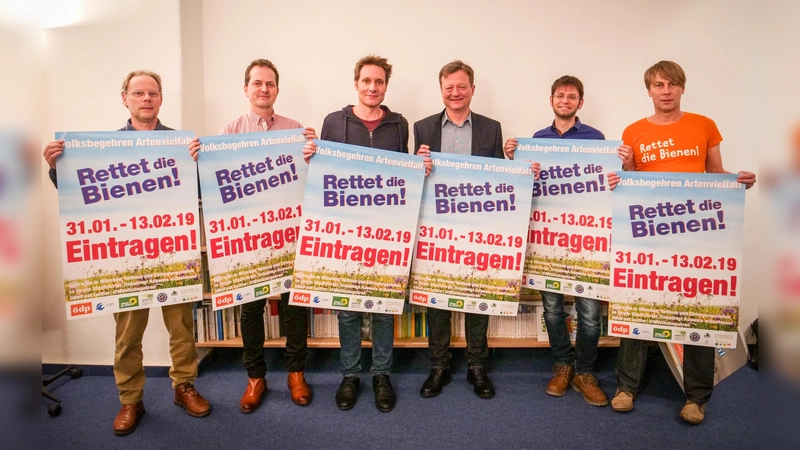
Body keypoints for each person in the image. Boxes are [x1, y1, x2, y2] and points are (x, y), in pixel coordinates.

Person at [42, 70, 211, 436]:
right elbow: (81, 194)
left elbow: (200, 191)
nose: (146, 98)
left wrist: (200, 162)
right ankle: (130, 398)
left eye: (152, 93)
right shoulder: (103, 148)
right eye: (138, 93)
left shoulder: (180, 145)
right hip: (127, 259)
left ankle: (184, 386)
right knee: (128, 335)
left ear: (161, 99)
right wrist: (59, 169)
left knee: (182, 328)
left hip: (173, 253)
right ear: (125, 99)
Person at [607, 60, 756, 425]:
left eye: (672, 84)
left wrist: (739, 181)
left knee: (699, 307)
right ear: (649, 91)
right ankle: (626, 388)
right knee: (636, 305)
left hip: (696, 234)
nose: (666, 91)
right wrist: (621, 174)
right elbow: (632, 186)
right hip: (648, 236)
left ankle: (697, 397)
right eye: (659, 85)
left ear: (682, 88)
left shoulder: (704, 125)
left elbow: (715, 173)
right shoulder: (633, 131)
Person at [189, 59, 316, 412]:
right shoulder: (230, 131)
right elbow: (217, 182)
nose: (264, 89)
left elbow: (310, 181)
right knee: (250, 309)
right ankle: (255, 377)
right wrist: (201, 159)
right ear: (246, 88)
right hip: (247, 238)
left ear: (277, 89)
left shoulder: (296, 130)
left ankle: (296, 373)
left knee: (294, 308)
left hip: (288, 233)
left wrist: (314, 154)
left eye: (270, 83)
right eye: (257, 83)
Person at [302, 55, 410, 413]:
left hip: (385, 230)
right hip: (343, 231)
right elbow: (323, 169)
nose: (372, 87)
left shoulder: (399, 124)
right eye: (366, 81)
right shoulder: (334, 121)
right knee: (346, 307)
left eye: (379, 82)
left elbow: (403, 174)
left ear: (385, 86)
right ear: (356, 83)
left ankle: (381, 374)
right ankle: (350, 375)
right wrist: (310, 157)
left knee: (382, 306)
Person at [504, 75, 610, 407]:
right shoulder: (537, 140)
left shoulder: (597, 139)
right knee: (552, 308)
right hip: (548, 237)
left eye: (572, 96)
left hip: (587, 238)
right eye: (560, 95)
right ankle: (563, 364)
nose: (565, 100)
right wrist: (514, 160)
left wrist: (621, 161)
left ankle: (584, 370)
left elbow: (604, 187)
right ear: (551, 100)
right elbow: (527, 186)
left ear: (581, 102)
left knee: (590, 312)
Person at [413, 60, 502, 400]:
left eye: (461, 86)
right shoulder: (422, 128)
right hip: (435, 227)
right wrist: (417, 163)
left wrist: (517, 164)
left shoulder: (491, 128)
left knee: (477, 295)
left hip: (477, 226)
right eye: (449, 87)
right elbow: (414, 175)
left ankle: (476, 366)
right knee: (437, 297)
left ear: (472, 89)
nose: (455, 92)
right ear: (441, 90)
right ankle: (439, 365)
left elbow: (498, 178)